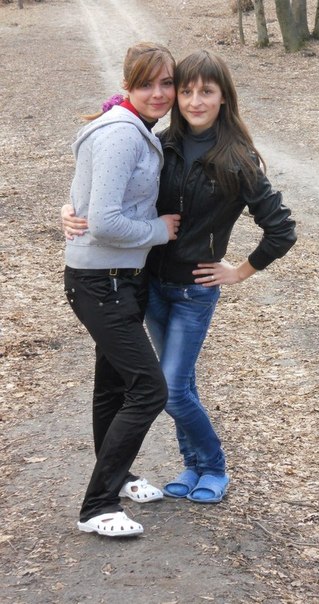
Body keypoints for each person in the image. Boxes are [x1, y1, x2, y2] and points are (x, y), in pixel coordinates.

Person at [62, 49, 297, 505]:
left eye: (206, 92)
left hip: (194, 292)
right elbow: (118, 191)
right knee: (178, 385)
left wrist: (239, 271)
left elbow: (281, 230)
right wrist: (70, 209)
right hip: (149, 286)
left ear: (224, 97)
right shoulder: (160, 144)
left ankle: (213, 465)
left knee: (170, 388)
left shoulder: (238, 159)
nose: (194, 101)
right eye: (185, 90)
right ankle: (191, 466)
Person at [63, 41, 180, 537]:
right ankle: (97, 507)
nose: (159, 93)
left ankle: (119, 477)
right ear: (127, 85)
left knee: (113, 386)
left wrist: (68, 209)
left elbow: (87, 196)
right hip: (101, 281)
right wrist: (159, 230)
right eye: (147, 83)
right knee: (149, 389)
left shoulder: (134, 127)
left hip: (121, 278)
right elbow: (106, 222)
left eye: (167, 83)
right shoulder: (121, 134)